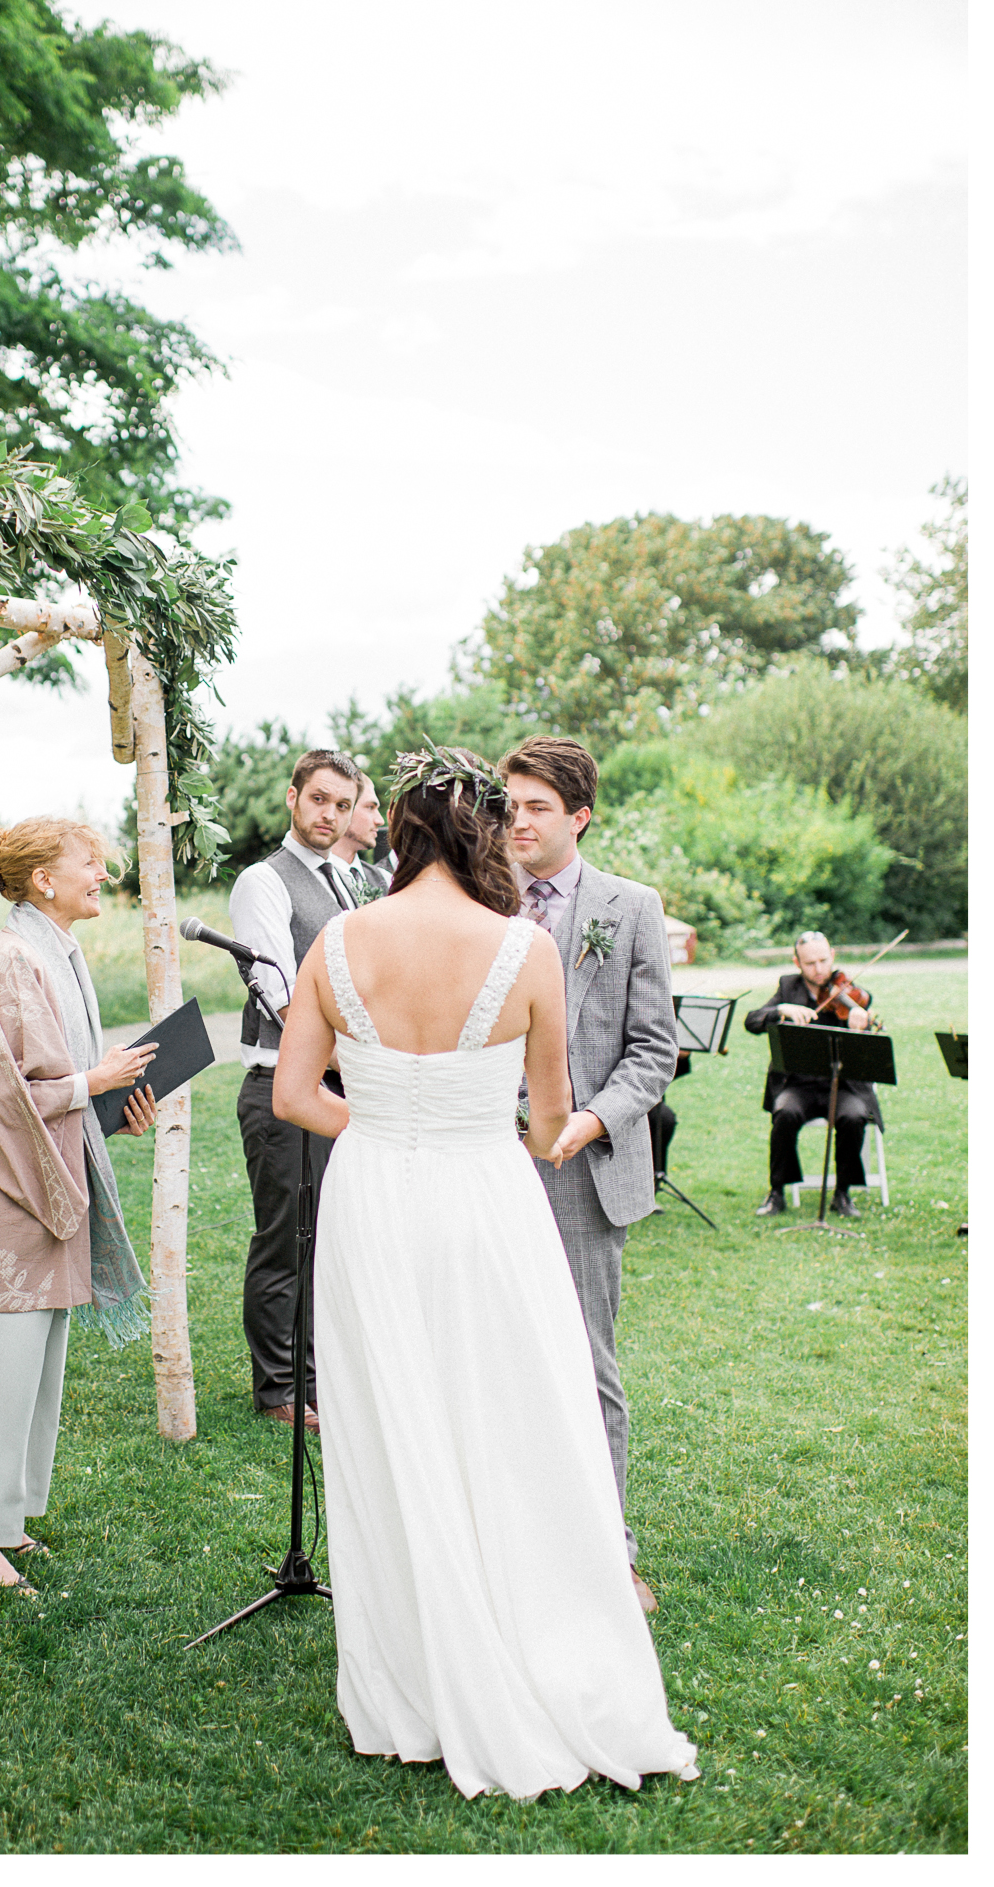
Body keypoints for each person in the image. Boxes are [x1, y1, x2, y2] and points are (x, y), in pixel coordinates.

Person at [275, 745, 697, 1801]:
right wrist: (475, 1127)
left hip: (372, 1198)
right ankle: (524, 1620)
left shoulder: (338, 938)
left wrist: (380, 1126)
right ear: (479, 832)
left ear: (402, 829)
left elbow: (292, 1094)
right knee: (507, 1407)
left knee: (388, 1414)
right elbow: (550, 1120)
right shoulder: (524, 948)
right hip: (486, 1197)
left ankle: (409, 1682)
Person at [0, 818, 157, 1591]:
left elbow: (51, 1086)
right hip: (8, 1192)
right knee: (2, 1368)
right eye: (90, 864)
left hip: (49, 1187)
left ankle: (6, 1522)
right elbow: (4, 1093)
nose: (104, 874)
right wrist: (94, 1083)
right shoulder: (10, 959)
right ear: (43, 881)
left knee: (38, 1367)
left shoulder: (57, 953)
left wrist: (111, 1109)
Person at [499, 734, 676, 1609]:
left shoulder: (629, 906)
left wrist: (590, 1119)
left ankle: (611, 1545)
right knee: (498, 1352)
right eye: (511, 805)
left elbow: (654, 1050)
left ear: (580, 815)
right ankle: (516, 1534)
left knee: (587, 1362)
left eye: (536, 807)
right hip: (487, 1163)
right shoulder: (482, 900)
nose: (518, 822)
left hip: (584, 1167)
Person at [225, 748, 365, 1430]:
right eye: (319, 800)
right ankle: (279, 1388)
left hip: (339, 1086)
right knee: (286, 1238)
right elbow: (276, 989)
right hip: (281, 1085)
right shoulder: (264, 880)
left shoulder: (347, 878)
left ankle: (317, 1374)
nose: (329, 815)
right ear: (292, 797)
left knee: (331, 1234)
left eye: (342, 805)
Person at [745, 931, 884, 1217]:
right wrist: (779, 1010)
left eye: (823, 960)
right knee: (784, 1112)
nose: (819, 969)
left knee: (854, 1116)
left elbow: (868, 1056)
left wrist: (860, 1029)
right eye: (810, 963)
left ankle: (842, 1194)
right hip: (799, 1085)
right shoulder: (787, 988)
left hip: (843, 1086)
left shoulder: (851, 994)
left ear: (832, 955)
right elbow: (752, 1021)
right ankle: (777, 1192)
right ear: (797, 962)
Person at [333, 771, 390, 901]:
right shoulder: (307, 877)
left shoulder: (385, 879)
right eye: (370, 807)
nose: (380, 820)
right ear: (343, 808)